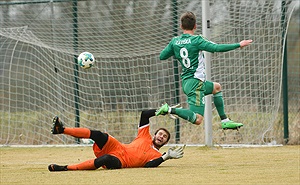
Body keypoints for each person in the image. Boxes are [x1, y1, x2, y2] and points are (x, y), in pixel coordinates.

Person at [156, 11, 253, 130]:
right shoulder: (197, 40)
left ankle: (225, 120)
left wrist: (177, 49)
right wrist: (238, 44)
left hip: (188, 82)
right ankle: (169, 109)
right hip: (196, 83)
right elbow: (216, 48)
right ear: (195, 26)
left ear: (181, 26)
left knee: (216, 87)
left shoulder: (174, 41)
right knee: (197, 119)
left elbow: (162, 56)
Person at [48, 109, 184, 172]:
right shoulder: (144, 136)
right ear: (154, 135)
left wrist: (166, 157)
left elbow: (149, 166)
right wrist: (165, 111)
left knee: (106, 159)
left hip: (121, 162)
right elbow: (144, 114)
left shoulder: (157, 156)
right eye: (160, 134)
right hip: (118, 147)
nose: (161, 137)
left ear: (165, 143)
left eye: (164, 137)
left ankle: (65, 168)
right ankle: (61, 130)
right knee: (99, 135)